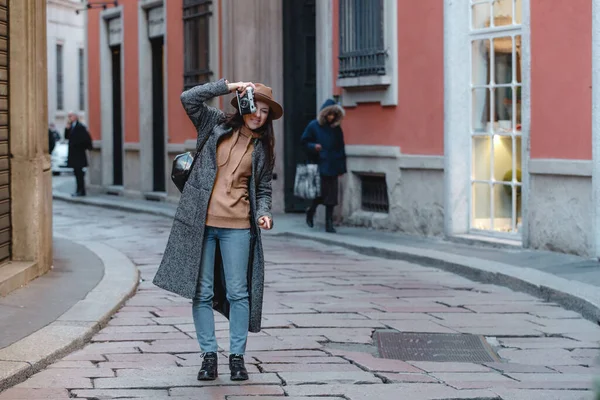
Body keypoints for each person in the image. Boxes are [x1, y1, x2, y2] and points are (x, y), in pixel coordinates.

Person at [152, 79, 281, 382]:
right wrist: (228, 85)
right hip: (201, 223)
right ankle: (208, 356)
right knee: (202, 292)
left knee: (239, 293)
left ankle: (237, 358)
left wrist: (264, 214)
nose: (258, 115)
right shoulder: (215, 125)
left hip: (237, 225)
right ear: (242, 104)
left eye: (265, 111)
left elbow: (263, 189)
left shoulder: (262, 148)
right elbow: (188, 98)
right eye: (254, 106)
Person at [301, 99, 347, 233]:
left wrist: (341, 168)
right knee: (320, 193)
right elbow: (304, 142)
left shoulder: (337, 129)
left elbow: (341, 149)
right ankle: (311, 210)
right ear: (324, 114)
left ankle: (329, 223)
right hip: (319, 165)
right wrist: (314, 147)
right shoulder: (313, 126)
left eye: (333, 114)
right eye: (329, 114)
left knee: (332, 196)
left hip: (333, 165)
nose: (331, 117)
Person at [64, 112, 92, 197]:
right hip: (74, 155)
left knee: (80, 174)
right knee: (76, 173)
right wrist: (67, 129)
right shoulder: (71, 127)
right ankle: (78, 190)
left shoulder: (80, 127)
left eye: (71, 116)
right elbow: (66, 137)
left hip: (79, 155)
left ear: (76, 117)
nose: (69, 118)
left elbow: (86, 140)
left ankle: (81, 190)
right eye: (69, 116)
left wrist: (78, 146)